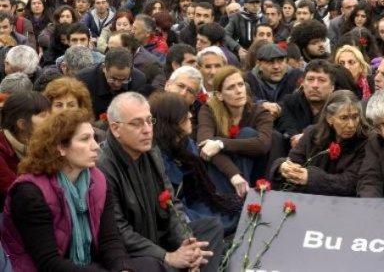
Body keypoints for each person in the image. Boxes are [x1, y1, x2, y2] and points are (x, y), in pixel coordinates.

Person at [2, 109, 164, 271]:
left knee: (152, 264)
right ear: (60, 147)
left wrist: (123, 268)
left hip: (86, 266)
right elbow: (48, 262)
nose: (95, 147)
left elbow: (109, 240)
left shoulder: (97, 180)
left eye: (94, 137)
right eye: (85, 139)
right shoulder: (30, 192)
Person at [98, 92, 224, 271]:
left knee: (210, 228)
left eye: (150, 121)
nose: (147, 129)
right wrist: (167, 256)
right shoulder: (103, 168)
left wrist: (187, 244)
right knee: (157, 266)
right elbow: (120, 231)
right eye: (137, 123)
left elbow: (172, 204)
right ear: (116, 128)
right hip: (134, 251)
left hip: (161, 237)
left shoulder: (152, 151)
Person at [149, 91, 241, 234]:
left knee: (235, 211)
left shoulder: (185, 143)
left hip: (194, 198)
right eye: (184, 116)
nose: (191, 116)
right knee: (218, 224)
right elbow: (174, 204)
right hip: (179, 210)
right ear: (171, 122)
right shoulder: (157, 157)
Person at [271, 90, 369, 196]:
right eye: (344, 118)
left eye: (355, 117)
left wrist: (310, 178)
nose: (351, 125)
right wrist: (283, 167)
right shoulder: (313, 134)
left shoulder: (365, 141)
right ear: (329, 118)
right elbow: (294, 161)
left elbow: (349, 183)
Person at [197, 66, 273, 196]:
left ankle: (235, 201)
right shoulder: (209, 110)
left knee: (247, 133)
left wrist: (220, 144)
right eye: (231, 87)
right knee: (210, 148)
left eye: (240, 85)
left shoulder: (260, 112)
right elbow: (204, 145)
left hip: (255, 172)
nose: (238, 91)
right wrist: (234, 174)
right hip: (223, 175)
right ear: (219, 95)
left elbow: (263, 144)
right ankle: (235, 201)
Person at [0, 91, 49, 210]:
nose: (50, 120)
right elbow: (16, 192)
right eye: (43, 116)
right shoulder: (2, 150)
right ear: (22, 124)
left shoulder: (46, 142)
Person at [277, 59, 335, 148]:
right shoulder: (290, 101)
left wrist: (306, 137)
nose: (315, 85)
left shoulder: (338, 106)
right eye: (310, 79)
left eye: (322, 80)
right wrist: (294, 137)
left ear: (332, 87)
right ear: (303, 83)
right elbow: (286, 124)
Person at [77, 48, 146, 117]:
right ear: (104, 68)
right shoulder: (84, 80)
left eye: (124, 80)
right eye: (113, 79)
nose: (117, 84)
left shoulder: (138, 80)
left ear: (131, 71)